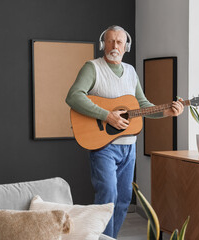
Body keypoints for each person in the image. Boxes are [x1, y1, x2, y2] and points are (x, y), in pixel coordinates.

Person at [66, 25, 184, 238]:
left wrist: (166, 112)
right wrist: (107, 115)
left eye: (119, 42)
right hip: (103, 147)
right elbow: (74, 96)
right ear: (103, 44)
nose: (114, 46)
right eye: (110, 41)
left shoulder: (130, 71)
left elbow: (143, 105)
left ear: (126, 46)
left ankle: (110, 238)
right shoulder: (92, 68)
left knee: (123, 200)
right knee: (107, 195)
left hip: (129, 148)